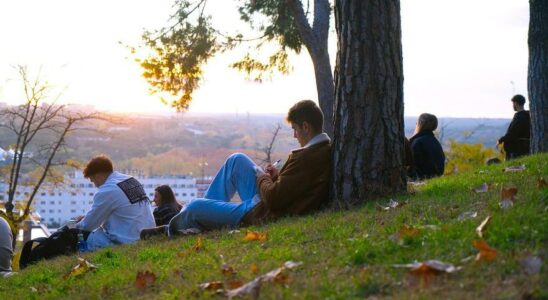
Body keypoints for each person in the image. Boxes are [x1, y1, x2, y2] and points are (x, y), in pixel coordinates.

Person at [141, 100, 331, 238]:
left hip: (262, 212)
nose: (295, 135)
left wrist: (263, 178)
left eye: (296, 129)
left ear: (306, 126)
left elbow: (274, 199)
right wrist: (277, 176)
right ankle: (200, 219)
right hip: (264, 203)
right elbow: (292, 186)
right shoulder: (317, 151)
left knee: (194, 206)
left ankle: (174, 226)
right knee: (236, 160)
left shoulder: (308, 157)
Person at [75, 155, 155, 251]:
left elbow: (88, 225)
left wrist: (77, 225)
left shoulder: (107, 190)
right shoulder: (131, 180)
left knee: (77, 237)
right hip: (146, 237)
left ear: (98, 176)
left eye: (93, 181)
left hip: (127, 242)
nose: (95, 185)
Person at [408, 113, 445, 180]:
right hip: (436, 178)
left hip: (420, 180)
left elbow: (414, 166)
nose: (416, 123)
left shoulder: (417, 142)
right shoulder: (435, 141)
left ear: (420, 124)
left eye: (417, 122)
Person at [497, 94, 531, 160]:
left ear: (515, 103)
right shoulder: (528, 116)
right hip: (525, 148)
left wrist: (500, 140)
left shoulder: (519, 117)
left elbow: (512, 133)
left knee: (513, 168)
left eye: (513, 103)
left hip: (516, 150)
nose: (513, 106)